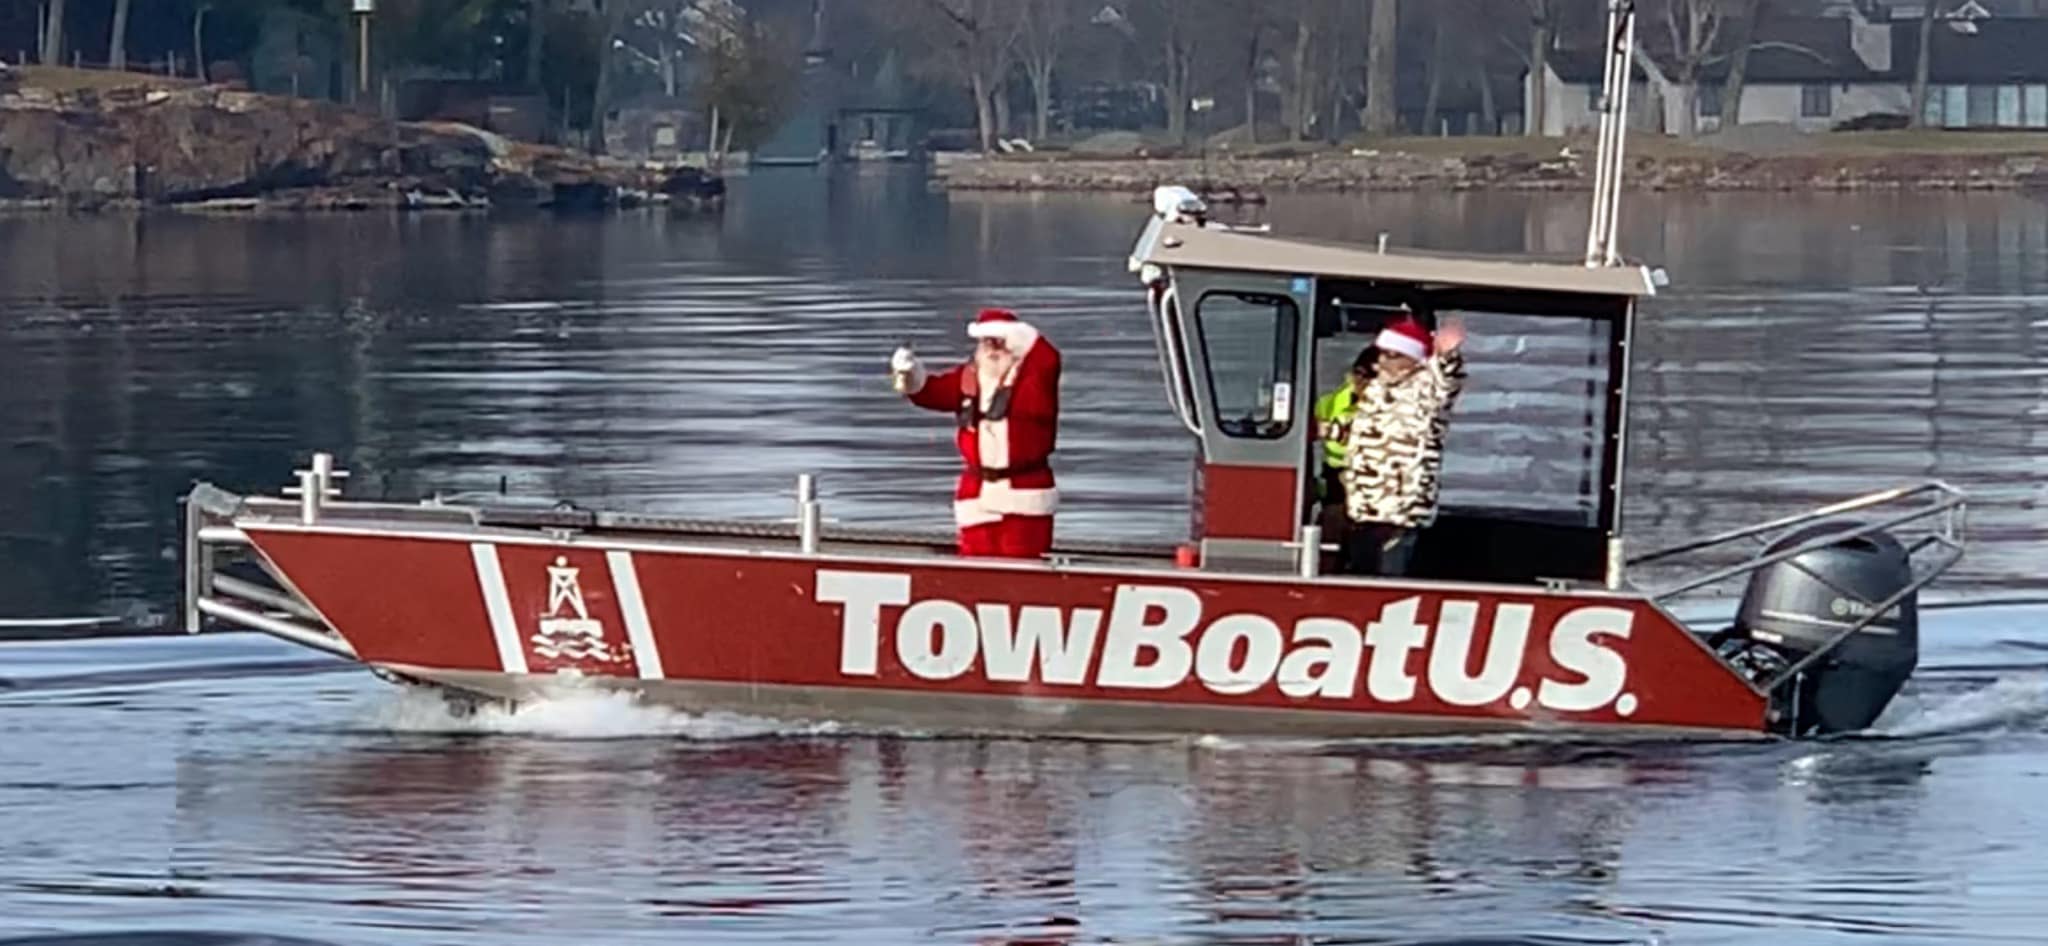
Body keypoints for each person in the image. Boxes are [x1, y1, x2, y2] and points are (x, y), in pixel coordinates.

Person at [888, 308, 1062, 559]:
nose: (992, 349)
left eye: (999, 342)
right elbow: (932, 392)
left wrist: (1016, 335)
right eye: (985, 342)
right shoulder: (969, 378)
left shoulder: (1034, 378)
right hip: (977, 494)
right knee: (974, 564)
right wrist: (911, 373)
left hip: (1024, 492)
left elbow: (1046, 356)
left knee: (1024, 568)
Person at [1340, 310, 1466, 576]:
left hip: (1400, 511)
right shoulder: (1376, 389)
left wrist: (1446, 355)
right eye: (1382, 353)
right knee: (1361, 576)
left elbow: (1447, 380)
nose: (1383, 360)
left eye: (1393, 355)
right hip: (1364, 508)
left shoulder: (1425, 389)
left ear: (1413, 359)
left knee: (1388, 580)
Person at [1311, 346, 1376, 569]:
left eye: (1369, 376)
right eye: (1358, 373)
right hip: (1335, 479)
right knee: (1332, 522)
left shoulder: (1393, 409)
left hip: (1373, 481)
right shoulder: (1330, 402)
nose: (1361, 380)